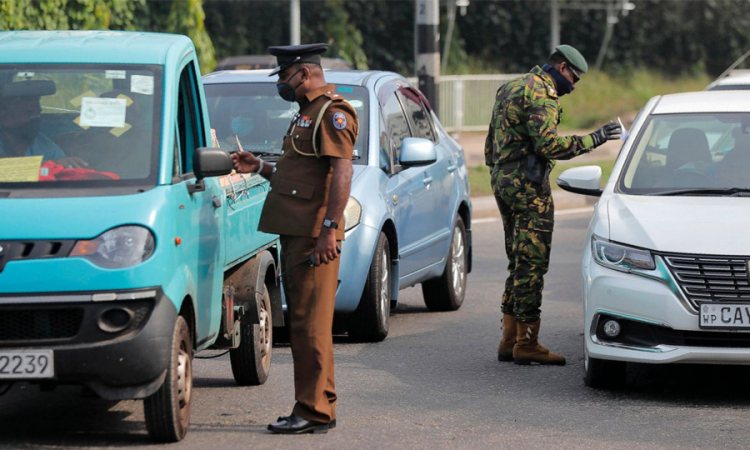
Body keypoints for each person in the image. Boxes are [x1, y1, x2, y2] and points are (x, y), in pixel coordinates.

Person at [230, 43, 358, 434]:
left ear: (303, 73)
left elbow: (342, 173)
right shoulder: (307, 114)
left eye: (285, 76)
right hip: (298, 234)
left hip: (313, 237)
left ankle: (314, 411)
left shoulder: (332, 114)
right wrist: (262, 168)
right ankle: (321, 406)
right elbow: (301, 176)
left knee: (309, 326)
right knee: (305, 324)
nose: (282, 83)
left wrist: (329, 230)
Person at [485, 44, 621, 366]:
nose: (573, 88)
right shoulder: (542, 94)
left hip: (502, 182)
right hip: (528, 187)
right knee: (532, 264)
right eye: (573, 79)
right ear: (561, 68)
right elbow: (548, 145)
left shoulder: (511, 87)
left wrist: (504, 174)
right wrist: (595, 139)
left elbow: (491, 143)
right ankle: (526, 343)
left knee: (518, 259)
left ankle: (509, 339)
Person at [0, 80, 85, 168]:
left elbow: (62, 169)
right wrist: (46, 164)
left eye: (38, 113)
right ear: (6, 117)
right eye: (29, 113)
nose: (35, 118)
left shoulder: (45, 146)